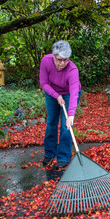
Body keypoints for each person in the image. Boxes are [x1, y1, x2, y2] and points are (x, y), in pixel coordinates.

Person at [39, 40, 81, 169]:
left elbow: (74, 93)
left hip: (68, 94)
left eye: (66, 60)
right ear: (53, 56)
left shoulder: (72, 70)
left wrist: (71, 115)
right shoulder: (46, 61)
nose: (62, 63)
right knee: (51, 122)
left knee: (65, 125)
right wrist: (56, 96)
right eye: (59, 60)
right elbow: (43, 83)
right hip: (52, 92)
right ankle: (50, 153)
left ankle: (63, 157)